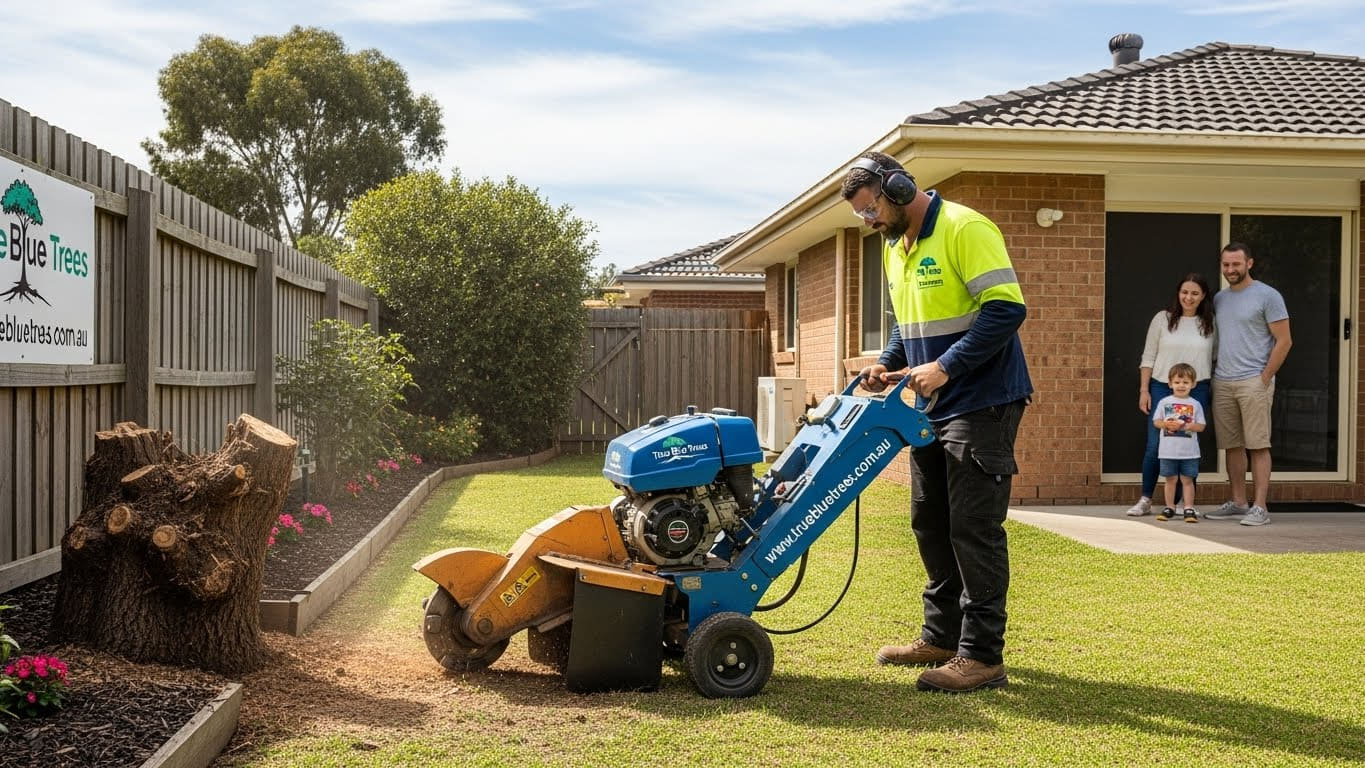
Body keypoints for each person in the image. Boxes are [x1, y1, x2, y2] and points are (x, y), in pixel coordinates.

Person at [841, 151, 1032, 694]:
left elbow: (1006, 310)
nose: (868, 220)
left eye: (871, 208)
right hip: (932, 407)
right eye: (861, 214)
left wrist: (946, 366)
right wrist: (886, 362)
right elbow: (907, 323)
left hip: (983, 401)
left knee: (973, 527)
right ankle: (942, 637)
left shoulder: (964, 228)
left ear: (899, 188)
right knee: (930, 520)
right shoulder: (894, 248)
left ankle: (982, 657)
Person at [1204, 242, 1291, 526]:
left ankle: (1260, 507)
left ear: (1249, 263)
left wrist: (1264, 378)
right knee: (1232, 446)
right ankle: (1239, 502)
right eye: (1226, 264)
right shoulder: (1220, 299)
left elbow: (1284, 341)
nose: (1231, 269)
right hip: (1223, 381)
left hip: (1254, 381)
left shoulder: (1268, 295)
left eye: (1236, 264)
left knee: (1258, 445)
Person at [1126, 274, 1216, 516]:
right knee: (1156, 444)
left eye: (1195, 293)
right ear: (1178, 293)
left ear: (1203, 296)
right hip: (1162, 388)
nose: (1189, 297)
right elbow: (1148, 357)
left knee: (1187, 444)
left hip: (1196, 389)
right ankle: (1145, 499)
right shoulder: (1162, 319)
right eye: (1185, 292)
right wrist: (1144, 390)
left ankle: (1184, 504)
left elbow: (1215, 357)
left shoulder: (1209, 324)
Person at [1151, 363, 1206, 523]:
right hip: (1168, 451)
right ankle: (1170, 507)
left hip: (1190, 453)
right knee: (1170, 480)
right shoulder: (1164, 402)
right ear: (1170, 383)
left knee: (1188, 480)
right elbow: (1156, 421)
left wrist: (1188, 426)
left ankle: (1188, 508)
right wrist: (1166, 424)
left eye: (1185, 382)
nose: (1181, 385)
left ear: (1193, 384)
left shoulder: (1195, 404)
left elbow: (1201, 426)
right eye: (1177, 382)